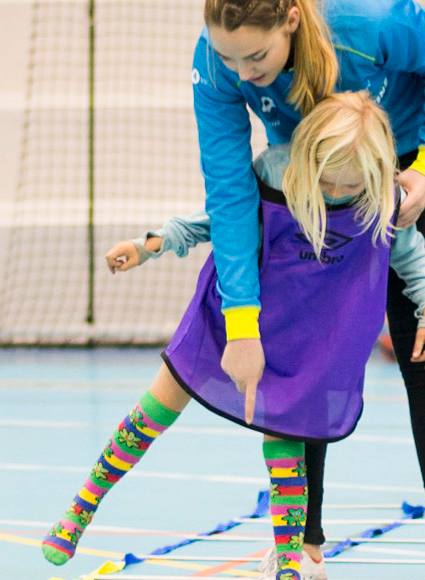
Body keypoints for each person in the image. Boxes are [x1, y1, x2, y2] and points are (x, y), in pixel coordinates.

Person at [41, 92, 425, 580]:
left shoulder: (381, 199)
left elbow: (411, 258)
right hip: (232, 319)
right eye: (326, 181)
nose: (333, 192)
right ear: (306, 157)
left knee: (288, 444)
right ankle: (82, 508)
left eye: (348, 185)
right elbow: (221, 220)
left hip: (300, 338)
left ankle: (289, 562)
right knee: (153, 412)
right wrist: (152, 244)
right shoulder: (274, 174)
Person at [192, 0, 425, 560]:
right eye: (226, 55)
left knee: (422, 356)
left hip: (406, 173)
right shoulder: (219, 65)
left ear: (291, 21)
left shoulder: (367, 18)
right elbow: (231, 194)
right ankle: (303, 548)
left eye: (257, 55)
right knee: (303, 356)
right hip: (313, 184)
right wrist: (242, 322)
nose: (242, 73)